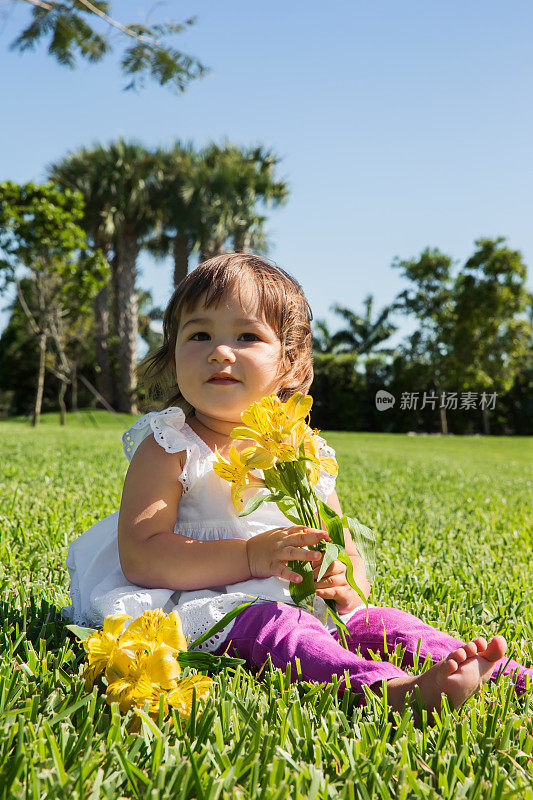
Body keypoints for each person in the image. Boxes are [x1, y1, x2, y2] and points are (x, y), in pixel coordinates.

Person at [62, 253, 531, 719]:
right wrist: (248, 557)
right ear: (172, 352)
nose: (220, 351)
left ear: (288, 362)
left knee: (384, 623)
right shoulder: (170, 443)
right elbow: (142, 555)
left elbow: (340, 544)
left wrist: (346, 583)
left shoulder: (302, 450)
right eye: (199, 334)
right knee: (283, 633)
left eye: (246, 336)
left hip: (303, 599)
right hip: (209, 603)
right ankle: (390, 691)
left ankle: (500, 672)